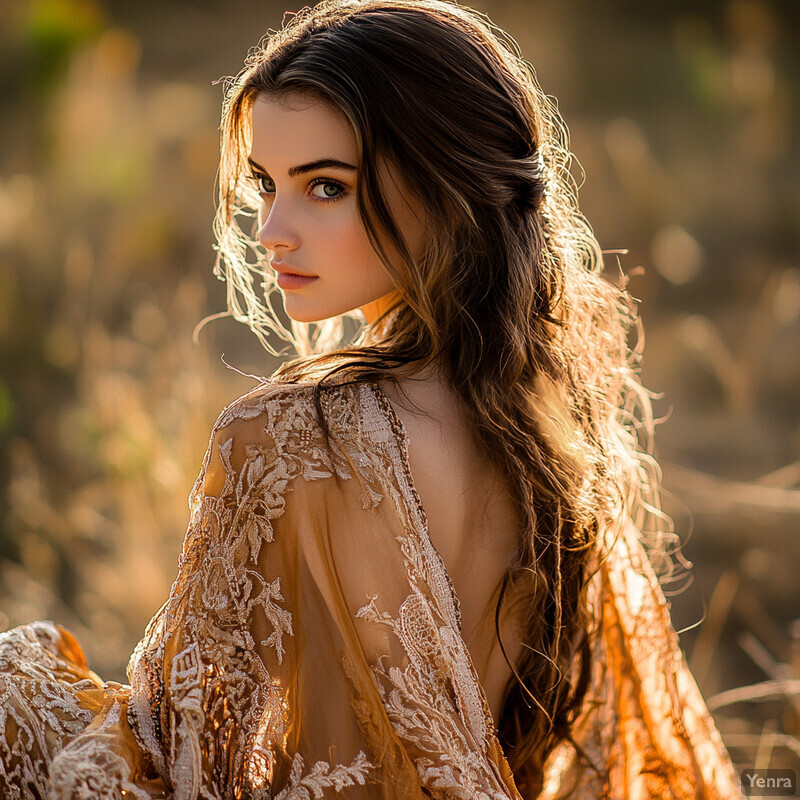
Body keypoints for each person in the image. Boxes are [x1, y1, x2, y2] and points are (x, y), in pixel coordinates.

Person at [0, 1, 746, 797]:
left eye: (325, 187)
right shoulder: (552, 433)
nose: (273, 230)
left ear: (445, 185)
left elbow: (184, 762)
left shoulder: (283, 436)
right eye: (265, 184)